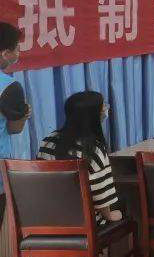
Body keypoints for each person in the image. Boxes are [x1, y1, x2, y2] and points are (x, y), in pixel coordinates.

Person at [37, 91, 122, 224]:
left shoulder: (48, 141)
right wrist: (110, 216)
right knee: (122, 208)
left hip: (47, 219)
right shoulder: (93, 149)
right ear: (93, 116)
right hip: (84, 223)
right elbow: (102, 198)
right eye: (103, 107)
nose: (106, 109)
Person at [0, 21, 30, 158]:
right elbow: (15, 128)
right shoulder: (10, 87)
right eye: (17, 49)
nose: (18, 54)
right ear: (5, 53)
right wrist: (25, 113)